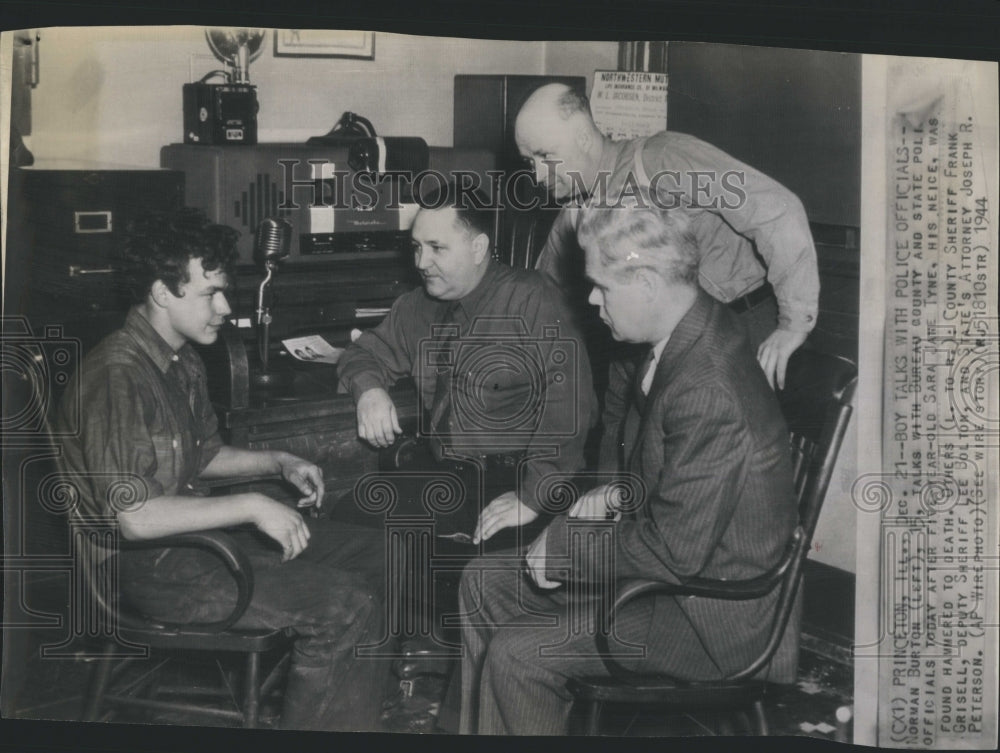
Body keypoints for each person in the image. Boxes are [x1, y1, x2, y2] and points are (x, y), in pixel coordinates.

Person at [457, 202, 799, 735]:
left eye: (601, 286)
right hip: (672, 580)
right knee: (483, 581)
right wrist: (616, 496)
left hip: (707, 616)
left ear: (644, 281)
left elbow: (675, 551)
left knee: (519, 654)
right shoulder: (684, 329)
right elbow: (680, 479)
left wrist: (565, 545)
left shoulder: (709, 386)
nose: (591, 299)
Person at [55, 208, 391, 732]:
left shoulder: (177, 357)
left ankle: (345, 703)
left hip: (197, 544)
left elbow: (203, 455)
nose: (226, 307)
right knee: (348, 604)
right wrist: (255, 505)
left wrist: (278, 461)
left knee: (385, 554)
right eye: (210, 293)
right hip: (148, 569)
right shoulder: (117, 377)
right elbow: (135, 518)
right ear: (162, 293)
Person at [338, 181, 595, 545]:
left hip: (517, 481)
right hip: (447, 475)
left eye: (436, 249)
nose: (421, 263)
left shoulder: (531, 299)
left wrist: (532, 497)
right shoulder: (416, 306)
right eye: (417, 248)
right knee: (349, 519)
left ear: (478, 248)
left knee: (422, 559)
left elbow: (571, 407)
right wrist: (369, 391)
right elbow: (363, 353)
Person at [515, 82, 820, 389]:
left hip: (744, 323)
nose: (538, 176)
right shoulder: (579, 207)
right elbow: (544, 290)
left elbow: (777, 209)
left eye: (545, 155)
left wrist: (794, 323)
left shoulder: (662, 159)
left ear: (582, 137)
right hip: (666, 341)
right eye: (530, 162)